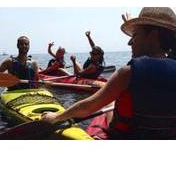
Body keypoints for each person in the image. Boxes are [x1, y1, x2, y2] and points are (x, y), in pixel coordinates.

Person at [41, 7, 176, 140]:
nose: (129, 42)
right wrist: (138, 30)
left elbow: (87, 107)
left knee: (110, 104)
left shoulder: (128, 72)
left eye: (135, 35)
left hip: (126, 137)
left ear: (153, 36)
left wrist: (57, 117)